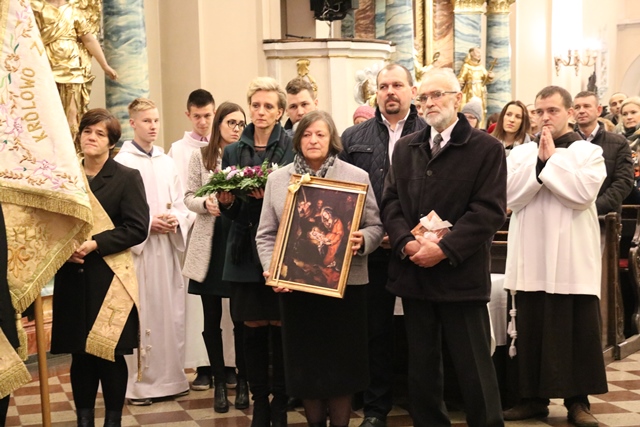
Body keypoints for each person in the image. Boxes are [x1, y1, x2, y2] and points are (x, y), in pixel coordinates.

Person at [381, 67, 506, 427]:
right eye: (424, 97)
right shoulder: (406, 147)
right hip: (415, 272)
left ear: (457, 98)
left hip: (460, 274)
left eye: (438, 95)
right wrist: (406, 243)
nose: (430, 103)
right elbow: (391, 202)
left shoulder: (486, 148)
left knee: (474, 367)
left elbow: (488, 211)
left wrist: (445, 249)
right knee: (422, 369)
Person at [256, 110, 384, 427]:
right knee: (307, 367)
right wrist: (273, 269)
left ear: (332, 140)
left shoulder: (356, 177)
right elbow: (266, 234)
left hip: (346, 289)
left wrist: (363, 240)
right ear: (298, 140)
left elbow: (376, 226)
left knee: (342, 367)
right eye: (307, 134)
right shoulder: (277, 180)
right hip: (296, 288)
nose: (313, 140)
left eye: (320, 134)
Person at [503, 86, 608, 427]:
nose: (545, 117)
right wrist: (539, 162)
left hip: (571, 259)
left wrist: (550, 162)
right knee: (531, 326)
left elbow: (582, 195)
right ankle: (531, 399)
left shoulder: (588, 152)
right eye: (539, 111)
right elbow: (509, 196)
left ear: (569, 113)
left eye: (553, 110)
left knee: (576, 330)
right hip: (531, 256)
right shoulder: (521, 153)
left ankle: (578, 402)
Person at [340, 63, 426, 427]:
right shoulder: (353, 136)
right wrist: (370, 232)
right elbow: (342, 192)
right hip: (372, 250)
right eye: (383, 86)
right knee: (374, 330)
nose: (390, 91)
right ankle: (376, 408)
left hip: (419, 248)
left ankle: (425, 406)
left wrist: (406, 234)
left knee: (423, 331)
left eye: (397, 85)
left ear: (412, 91)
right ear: (375, 93)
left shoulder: (429, 131)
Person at [51, 108, 149, 427]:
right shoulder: (65, 177)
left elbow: (137, 228)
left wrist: (96, 243)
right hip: (71, 277)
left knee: (109, 352)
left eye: (99, 133)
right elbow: (51, 225)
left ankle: (112, 421)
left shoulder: (126, 178)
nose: (91, 138)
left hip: (109, 279)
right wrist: (64, 249)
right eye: (87, 131)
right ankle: (84, 420)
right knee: (79, 354)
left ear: (111, 142)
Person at [217, 77, 294, 427]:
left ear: (279, 112)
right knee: (252, 328)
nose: (261, 112)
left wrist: (271, 198)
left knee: (281, 327)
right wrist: (227, 202)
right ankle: (259, 402)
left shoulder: (291, 147)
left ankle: (281, 402)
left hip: (282, 247)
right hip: (244, 250)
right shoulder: (233, 151)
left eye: (268, 106)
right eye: (256, 105)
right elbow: (232, 213)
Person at [114, 98, 192, 406]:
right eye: (147, 121)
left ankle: (172, 378)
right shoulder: (122, 162)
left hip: (167, 251)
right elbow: (116, 212)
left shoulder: (166, 161)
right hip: (139, 254)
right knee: (144, 314)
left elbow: (182, 203)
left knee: (171, 314)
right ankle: (139, 387)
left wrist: (176, 220)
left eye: (156, 120)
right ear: (132, 123)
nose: (153, 126)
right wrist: (148, 224)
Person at [182, 102, 249, 413]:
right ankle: (219, 383)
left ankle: (243, 382)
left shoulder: (247, 156)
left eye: (241, 124)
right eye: (231, 122)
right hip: (210, 241)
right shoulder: (201, 157)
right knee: (211, 319)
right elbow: (188, 196)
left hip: (238, 240)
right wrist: (206, 203)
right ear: (219, 124)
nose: (236, 128)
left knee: (241, 318)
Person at [167, 89, 223, 392]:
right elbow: (177, 194)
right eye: (197, 116)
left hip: (221, 231)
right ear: (188, 115)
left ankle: (227, 365)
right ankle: (202, 365)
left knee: (223, 306)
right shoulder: (177, 150)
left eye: (208, 115)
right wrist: (190, 217)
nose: (203, 122)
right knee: (197, 306)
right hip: (191, 233)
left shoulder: (224, 145)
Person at [31, 0, 118, 144]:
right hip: (46, 66)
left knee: (72, 113)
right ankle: (50, 147)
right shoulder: (36, 7)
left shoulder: (74, 11)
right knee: (47, 111)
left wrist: (105, 65)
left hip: (72, 68)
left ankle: (71, 149)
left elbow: (89, 40)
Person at [573, 91, 634, 215]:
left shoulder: (618, 142)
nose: (581, 111)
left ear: (598, 110)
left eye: (587, 106)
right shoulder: (567, 142)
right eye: (577, 107)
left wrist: (594, 208)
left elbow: (623, 181)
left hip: (605, 216)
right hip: (572, 214)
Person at [457, 47, 494, 123]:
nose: (479, 55)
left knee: (481, 108)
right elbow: (461, 78)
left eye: (480, 53)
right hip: (470, 90)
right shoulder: (466, 66)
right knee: (470, 109)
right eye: (477, 52)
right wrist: (458, 83)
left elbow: (486, 78)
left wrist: (490, 76)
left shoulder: (480, 67)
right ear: (471, 54)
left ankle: (480, 125)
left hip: (480, 91)